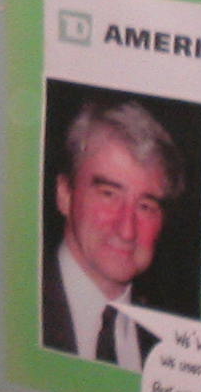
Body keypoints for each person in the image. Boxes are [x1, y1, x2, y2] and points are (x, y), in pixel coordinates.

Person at [41, 96, 187, 370]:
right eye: (109, 194)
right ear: (64, 194)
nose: (127, 229)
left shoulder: (176, 337)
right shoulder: (14, 303)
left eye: (145, 207)